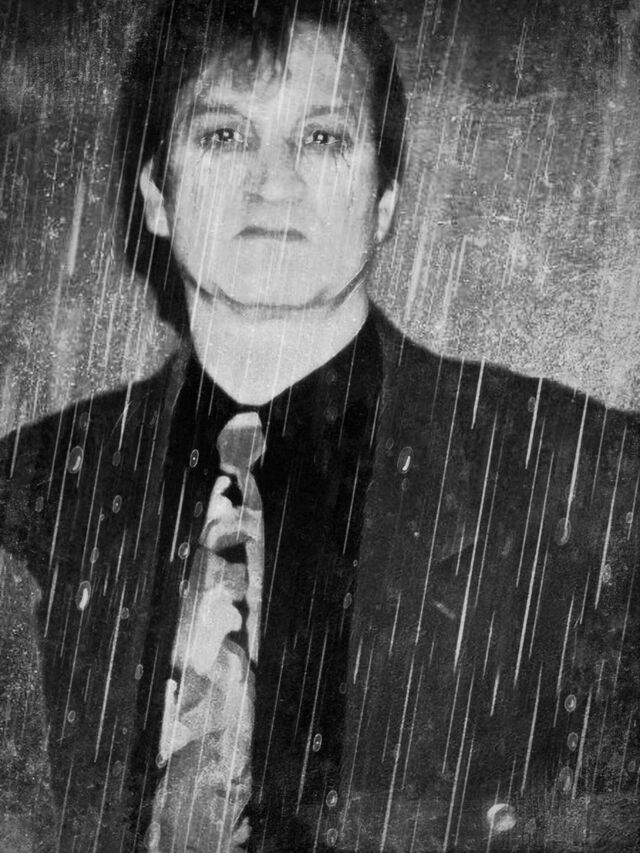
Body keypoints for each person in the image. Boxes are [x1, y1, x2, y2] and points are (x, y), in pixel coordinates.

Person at [0, 0, 638, 850]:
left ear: (385, 201)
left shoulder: (588, 484)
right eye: (225, 134)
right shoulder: (26, 494)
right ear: (157, 195)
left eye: (324, 137)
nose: (274, 182)